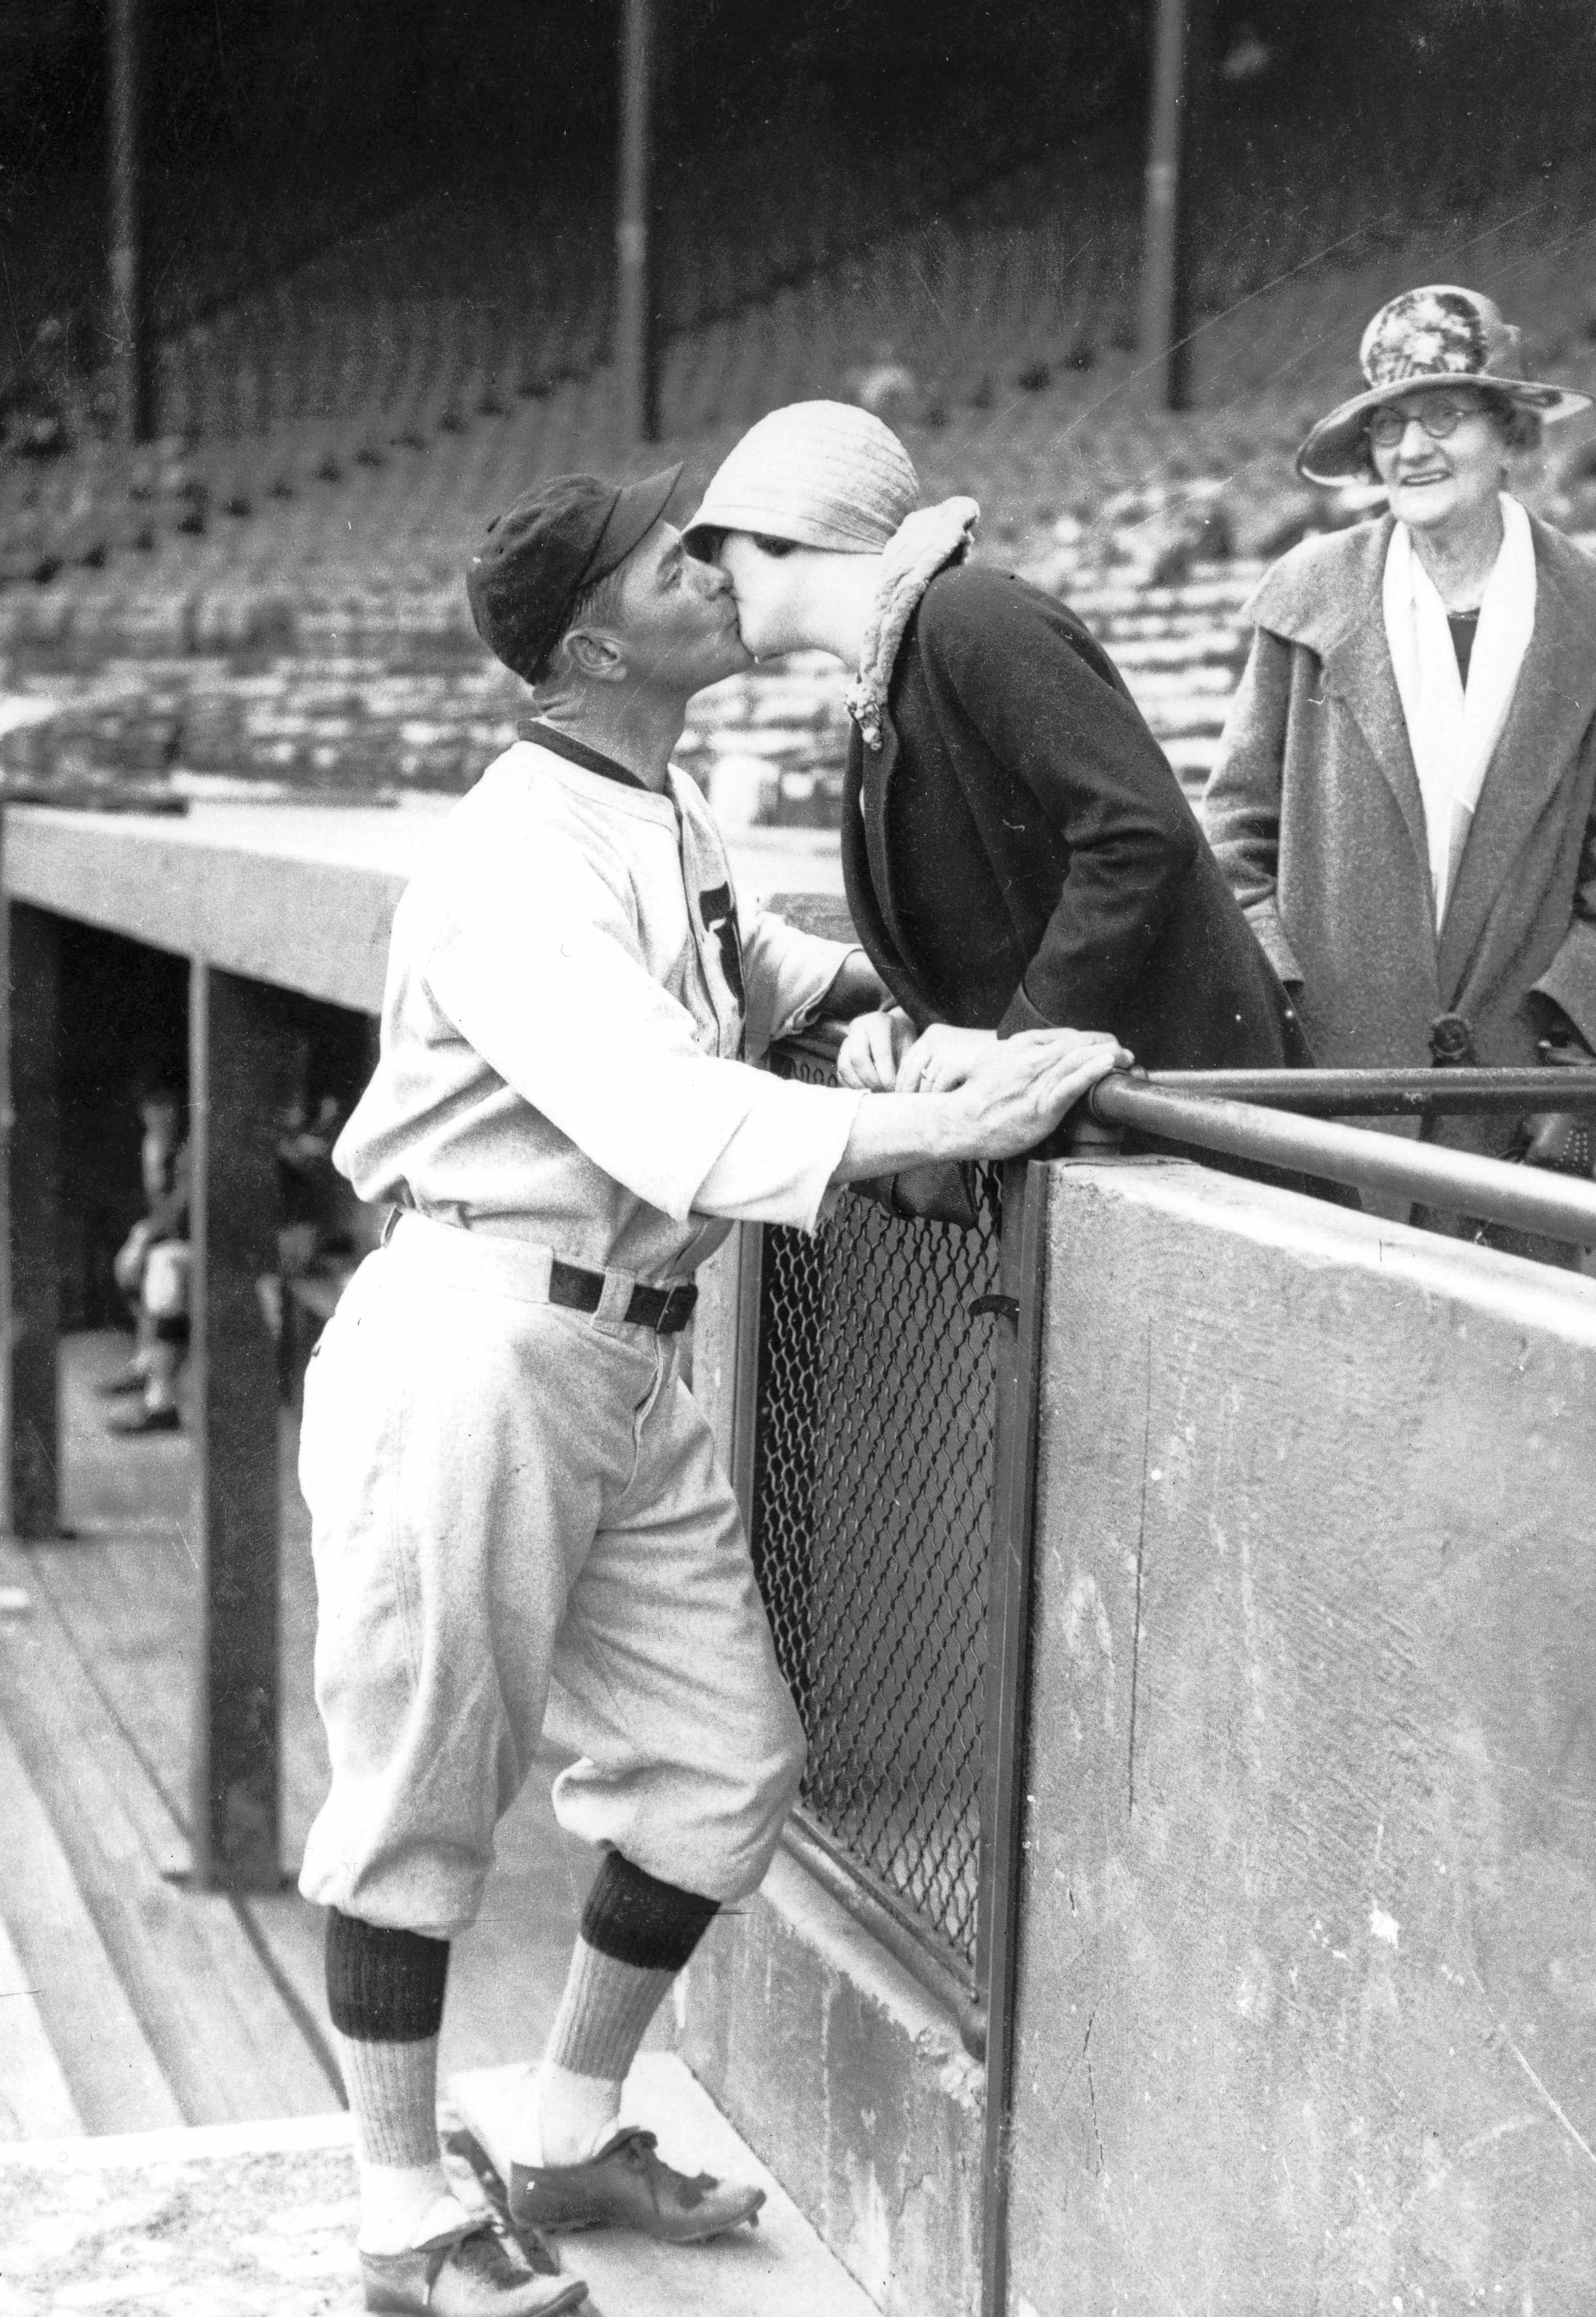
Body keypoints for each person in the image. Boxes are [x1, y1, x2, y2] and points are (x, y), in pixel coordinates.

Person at [301, 464, 1124, 2317]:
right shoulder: (515, 847)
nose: (718, 569)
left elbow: (741, 975)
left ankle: (567, 2122)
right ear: (596, 636)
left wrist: (886, 1012)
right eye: (676, 561)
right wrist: (923, 1120)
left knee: (719, 1770)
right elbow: (660, 1109)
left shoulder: (642, 801)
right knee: (421, 1798)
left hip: (615, 1347)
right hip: (476, 1334)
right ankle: (393, 2215)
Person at [1202, 285, 1596, 1261]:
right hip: (1324, 1103)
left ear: (1508, 432)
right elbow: (1233, 843)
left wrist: (1572, 1079)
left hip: (1509, 1118)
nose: (1410, 449)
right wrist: (1282, 1011)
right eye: (1387, 426)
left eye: (1444, 415)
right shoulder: (1302, 597)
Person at [685, 400, 1298, 1108]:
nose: (710, 575)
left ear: (780, 530)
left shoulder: (967, 613)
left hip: (1196, 1121)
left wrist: (1020, 1038)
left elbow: (1139, 834)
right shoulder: (891, 670)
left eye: (717, 545)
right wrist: (907, 1018)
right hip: (1115, 1125)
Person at [100, 1083, 191, 1435]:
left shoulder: (191, 1148)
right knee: (133, 1266)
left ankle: (161, 1403)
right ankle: (145, 1363)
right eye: (151, 1108)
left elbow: (182, 1214)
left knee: (163, 1269)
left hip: (216, 1247)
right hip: (182, 1238)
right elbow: (161, 1209)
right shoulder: (154, 1145)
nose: (158, 1115)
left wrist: (146, 1236)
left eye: (165, 1106)